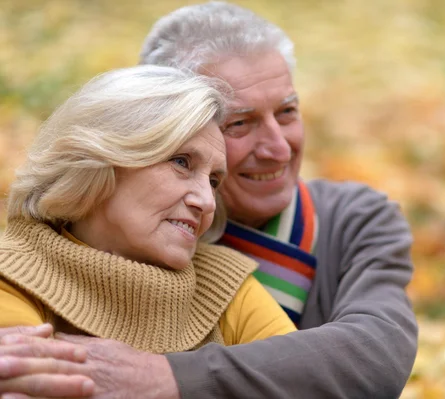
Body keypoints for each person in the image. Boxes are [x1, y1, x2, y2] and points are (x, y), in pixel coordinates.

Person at [0, 2, 418, 398]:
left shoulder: (349, 219)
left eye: (287, 112)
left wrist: (171, 379)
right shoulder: (25, 268)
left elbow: (377, 348)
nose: (279, 148)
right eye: (239, 123)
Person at [0, 64, 296, 396]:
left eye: (213, 181)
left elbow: (303, 384)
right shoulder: (12, 276)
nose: (207, 202)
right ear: (102, 157)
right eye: (182, 162)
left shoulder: (224, 286)